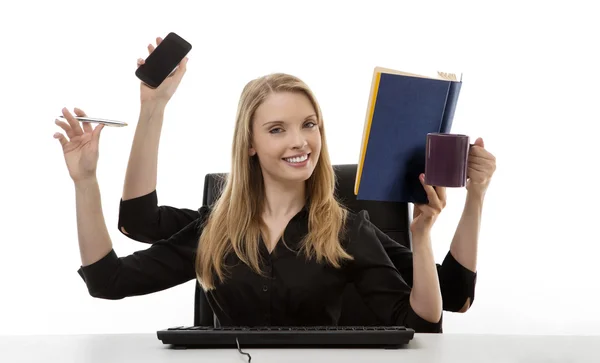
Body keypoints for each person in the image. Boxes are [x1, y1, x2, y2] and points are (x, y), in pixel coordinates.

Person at [112, 38, 496, 314]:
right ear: (250, 143)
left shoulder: (348, 231)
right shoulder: (218, 226)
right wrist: (153, 109)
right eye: (277, 129)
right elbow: (136, 224)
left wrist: (475, 196)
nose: (299, 142)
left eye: (309, 125)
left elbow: (455, 297)